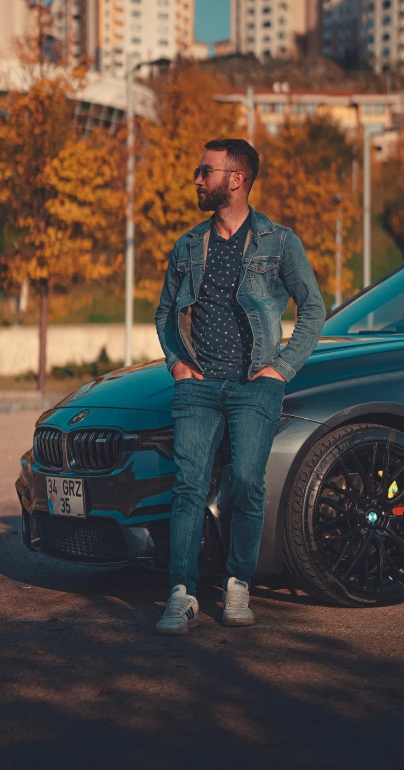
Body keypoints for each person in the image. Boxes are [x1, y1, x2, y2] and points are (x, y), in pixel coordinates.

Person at [155, 138, 326, 635]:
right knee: (188, 487)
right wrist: (176, 365)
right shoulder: (188, 245)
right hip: (198, 386)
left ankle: (237, 584)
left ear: (236, 179)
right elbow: (166, 312)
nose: (196, 179)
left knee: (249, 485)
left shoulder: (279, 241)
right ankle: (181, 592)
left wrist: (282, 368)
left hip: (256, 385)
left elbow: (312, 308)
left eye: (204, 170)